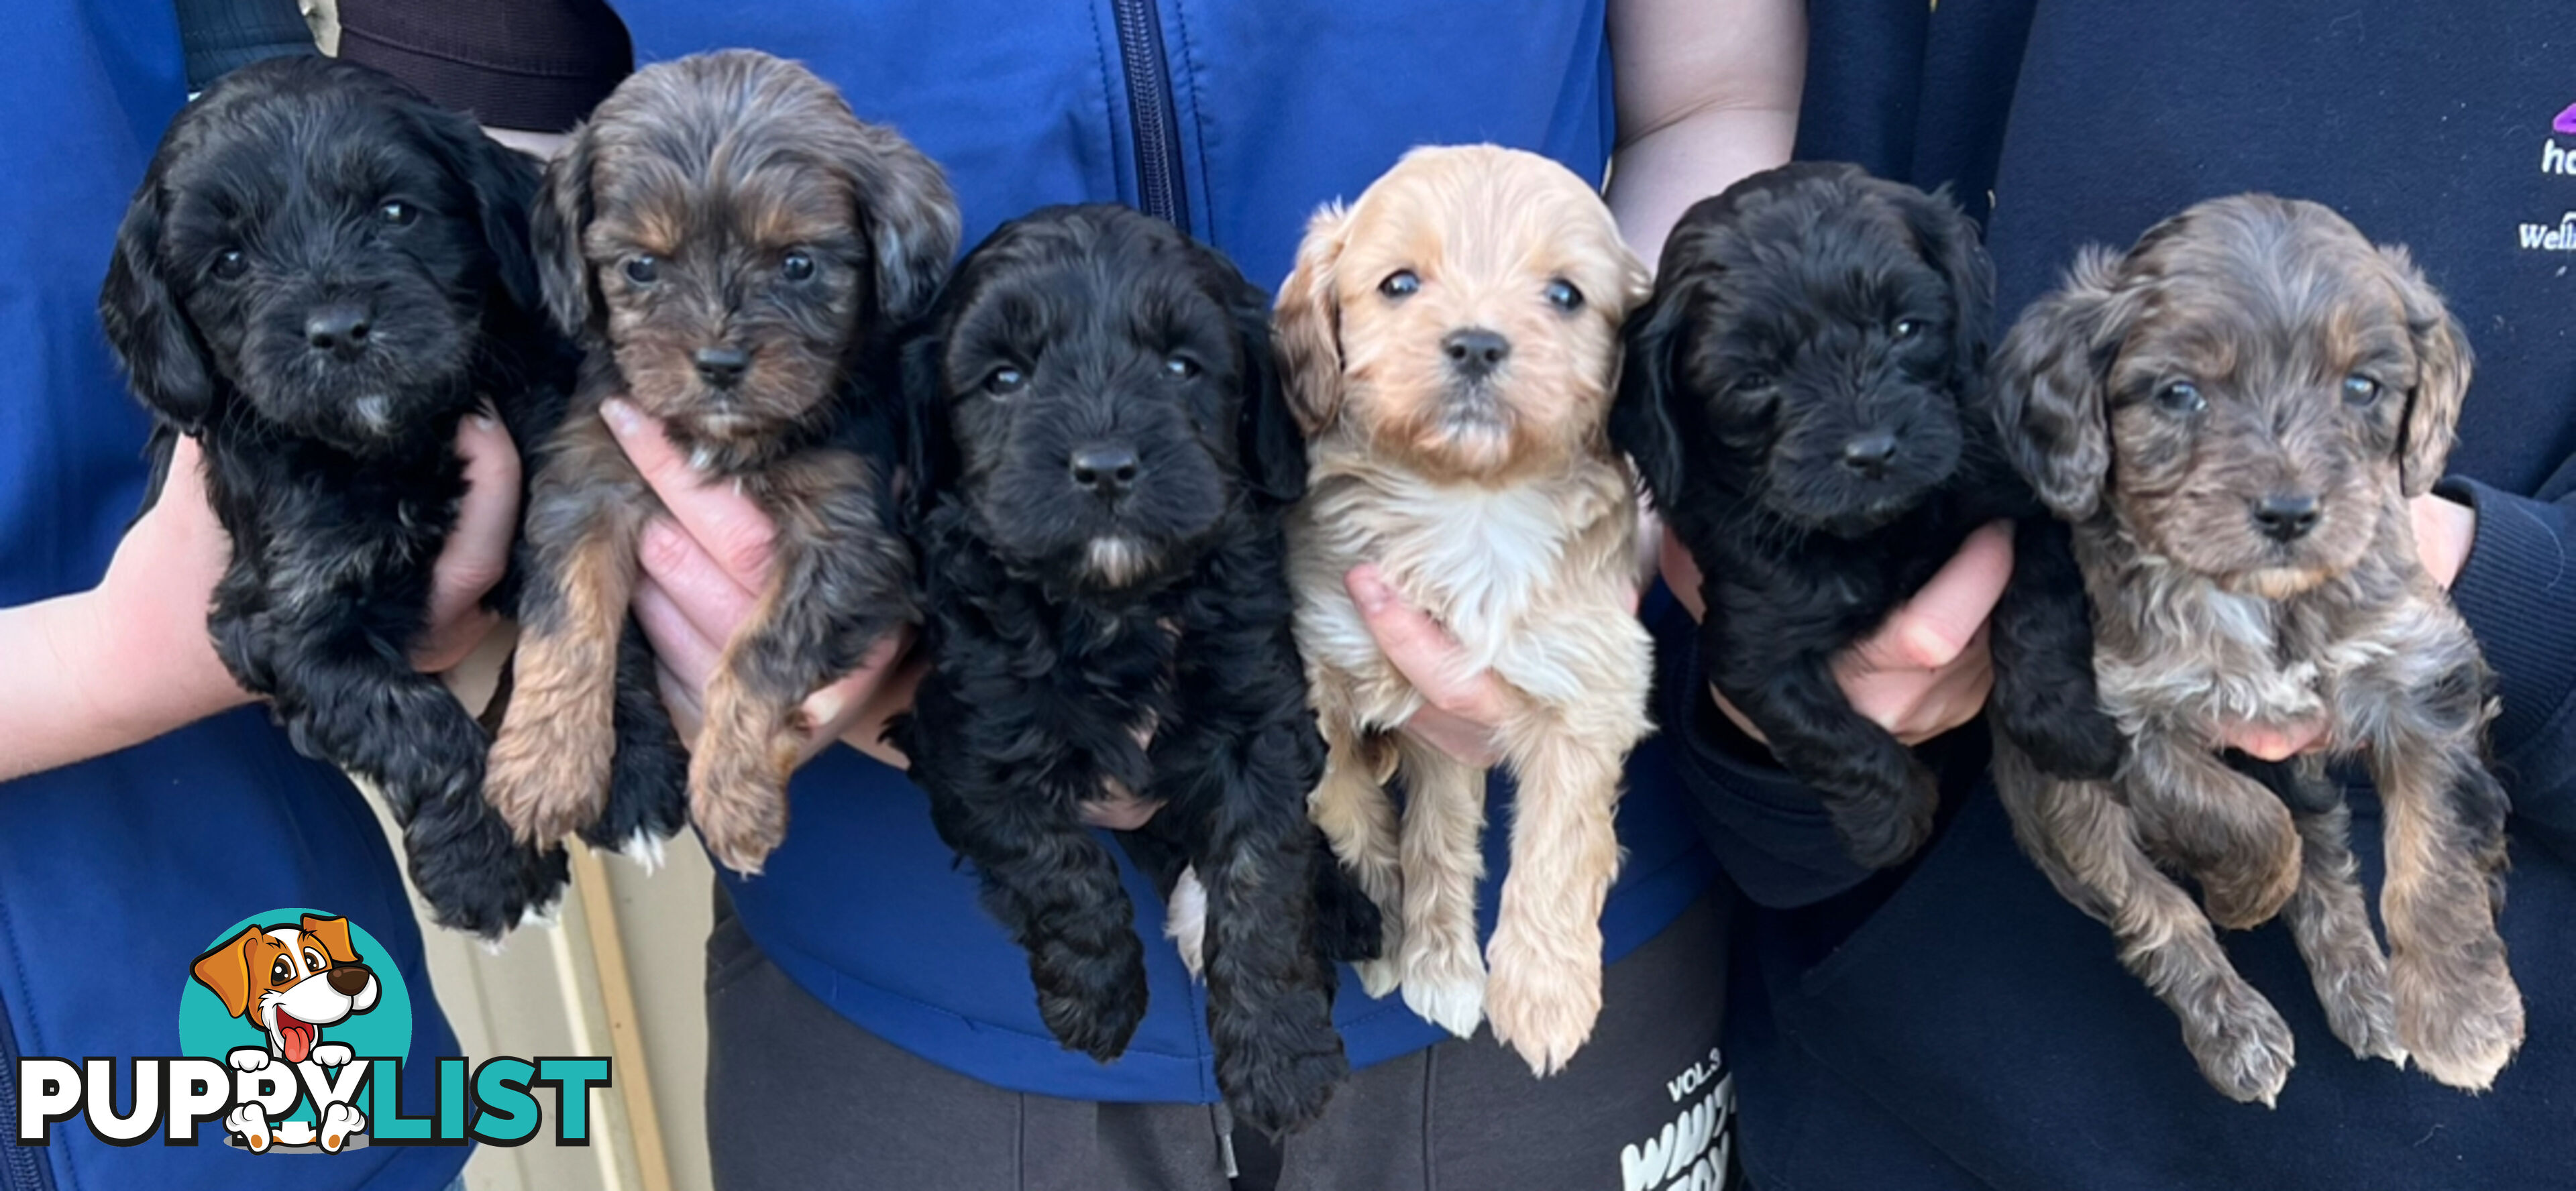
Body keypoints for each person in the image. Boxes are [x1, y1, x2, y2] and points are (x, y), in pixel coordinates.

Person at [569, 1, 1845, 1187]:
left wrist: (1620, 494)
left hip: (1544, 955)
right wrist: (754, 591)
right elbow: (514, 182)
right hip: (893, 957)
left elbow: (1711, 99)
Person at [1676, 1, 2576, 1186]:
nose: (2290, 483)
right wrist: (1785, 725)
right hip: (1928, 1086)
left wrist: (2510, 590)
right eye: (2181, 400)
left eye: (2363, 390)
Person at [0, 5, 616, 1188]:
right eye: (234, 264)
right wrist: (105, 663)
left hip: (248, 959)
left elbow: (257, 77)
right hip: (181, 689)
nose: (327, 303)